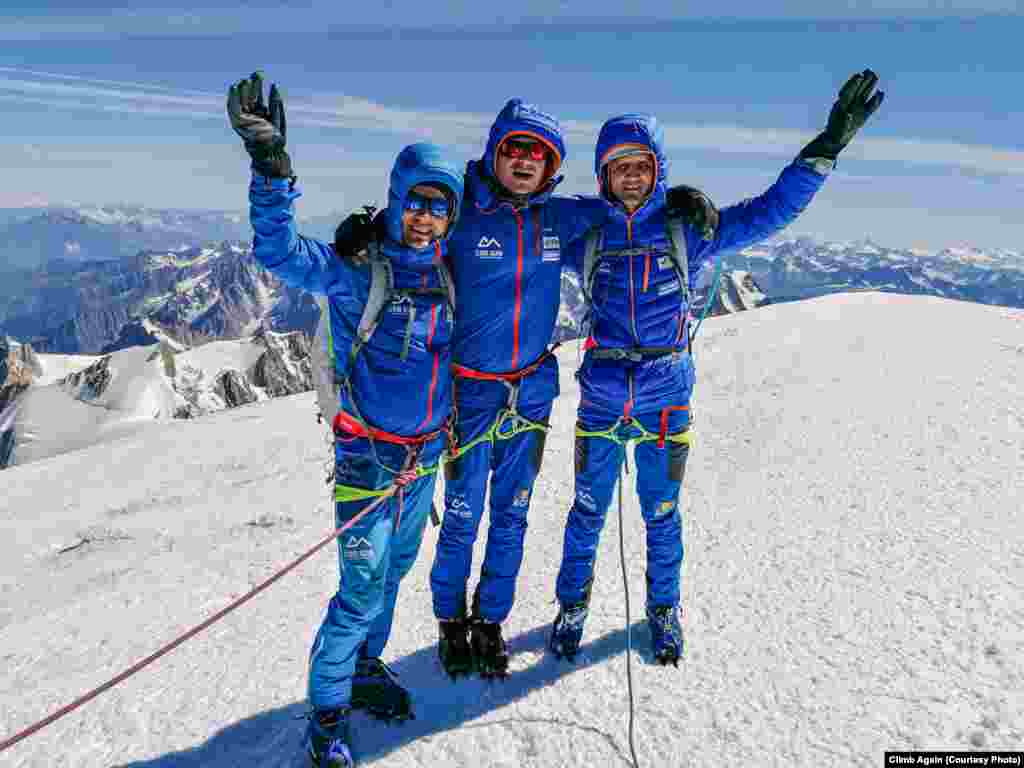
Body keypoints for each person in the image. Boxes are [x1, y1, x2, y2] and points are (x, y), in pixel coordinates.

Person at [334, 99, 718, 679]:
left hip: (530, 392)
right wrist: (373, 227)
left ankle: (490, 621)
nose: (524, 160)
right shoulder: (462, 210)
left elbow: (626, 209)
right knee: (461, 515)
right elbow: (419, 223)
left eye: (538, 153)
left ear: (551, 167)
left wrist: (676, 201)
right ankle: (450, 622)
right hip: (468, 395)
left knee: (511, 515)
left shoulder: (562, 218)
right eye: (514, 147)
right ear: (495, 152)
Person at [549, 69, 886, 666]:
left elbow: (769, 213)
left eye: (642, 165)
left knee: (661, 514)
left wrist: (825, 148)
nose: (631, 176)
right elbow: (521, 223)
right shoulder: (586, 237)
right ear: (603, 176)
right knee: (587, 512)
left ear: (658, 171)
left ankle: (664, 608)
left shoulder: (690, 232)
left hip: (665, 399)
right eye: (619, 167)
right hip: (601, 400)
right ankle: (572, 606)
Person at [228, 72, 465, 768]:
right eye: (414, 202)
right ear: (394, 200)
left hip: (423, 459)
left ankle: (362, 666)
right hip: (368, 459)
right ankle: (327, 714)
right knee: (361, 590)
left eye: (438, 207)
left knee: (392, 575)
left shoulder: (450, 275)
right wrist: (271, 170)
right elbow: (278, 252)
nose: (424, 217)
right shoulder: (355, 270)